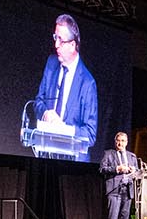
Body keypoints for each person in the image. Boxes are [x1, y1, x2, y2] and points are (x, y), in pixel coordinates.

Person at [33, 14, 98, 162]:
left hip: (72, 163)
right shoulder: (51, 64)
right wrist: (45, 114)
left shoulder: (87, 83)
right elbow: (38, 101)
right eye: (55, 38)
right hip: (47, 155)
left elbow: (90, 134)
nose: (56, 45)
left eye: (61, 40)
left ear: (73, 45)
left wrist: (63, 129)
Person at [100, 131, 140, 219]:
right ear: (115, 142)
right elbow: (102, 169)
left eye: (122, 141)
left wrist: (134, 170)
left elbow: (138, 172)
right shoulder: (108, 154)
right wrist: (117, 168)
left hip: (127, 189)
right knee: (113, 216)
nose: (120, 143)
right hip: (114, 188)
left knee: (124, 216)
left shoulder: (132, 156)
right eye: (118, 140)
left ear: (126, 142)